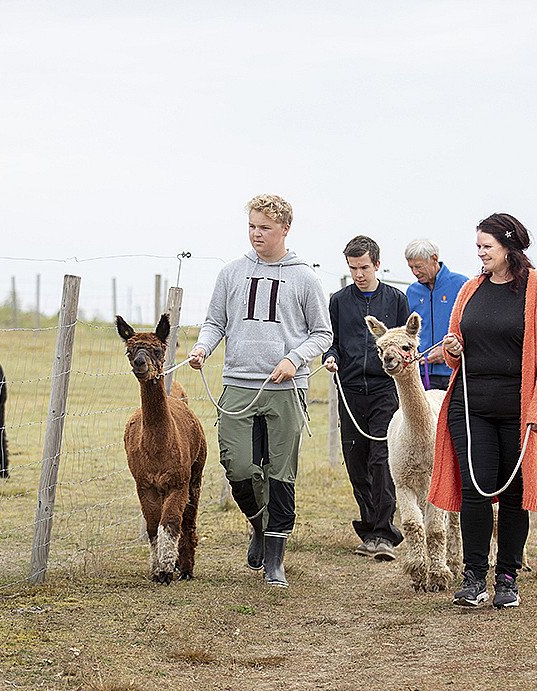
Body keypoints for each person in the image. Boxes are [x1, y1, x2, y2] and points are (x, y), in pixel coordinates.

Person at [427, 213, 537, 609]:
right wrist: (454, 347)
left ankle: (506, 576)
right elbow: (456, 340)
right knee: (476, 489)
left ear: (509, 247)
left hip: (518, 410)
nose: (480, 253)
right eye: (477, 247)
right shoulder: (472, 289)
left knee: (513, 493)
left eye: (486, 246)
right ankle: (473, 576)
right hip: (470, 405)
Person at [189, 194, 333, 588]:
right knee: (237, 466)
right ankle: (257, 524)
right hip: (238, 384)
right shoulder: (232, 273)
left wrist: (293, 359)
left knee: (280, 473)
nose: (256, 233)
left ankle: (275, 561)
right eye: (252, 226)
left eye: (265, 227)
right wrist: (203, 347)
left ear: (285, 229)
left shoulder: (304, 277)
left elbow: (322, 334)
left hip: (285, 387)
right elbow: (215, 322)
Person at [323, 235, 410, 561]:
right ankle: (369, 527)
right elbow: (331, 340)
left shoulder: (396, 300)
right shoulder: (339, 301)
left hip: (386, 390)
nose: (358, 274)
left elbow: (405, 341)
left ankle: (384, 532)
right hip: (350, 390)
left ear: (376, 263)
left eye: (363, 267)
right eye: (352, 268)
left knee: (381, 458)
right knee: (356, 460)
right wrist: (330, 357)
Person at [405, 239, 468, 391]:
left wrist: (446, 352)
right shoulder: (411, 292)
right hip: (421, 374)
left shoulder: (462, 285)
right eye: (411, 267)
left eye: (418, 266)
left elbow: (472, 330)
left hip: (453, 372)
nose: (415, 272)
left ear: (434, 259)